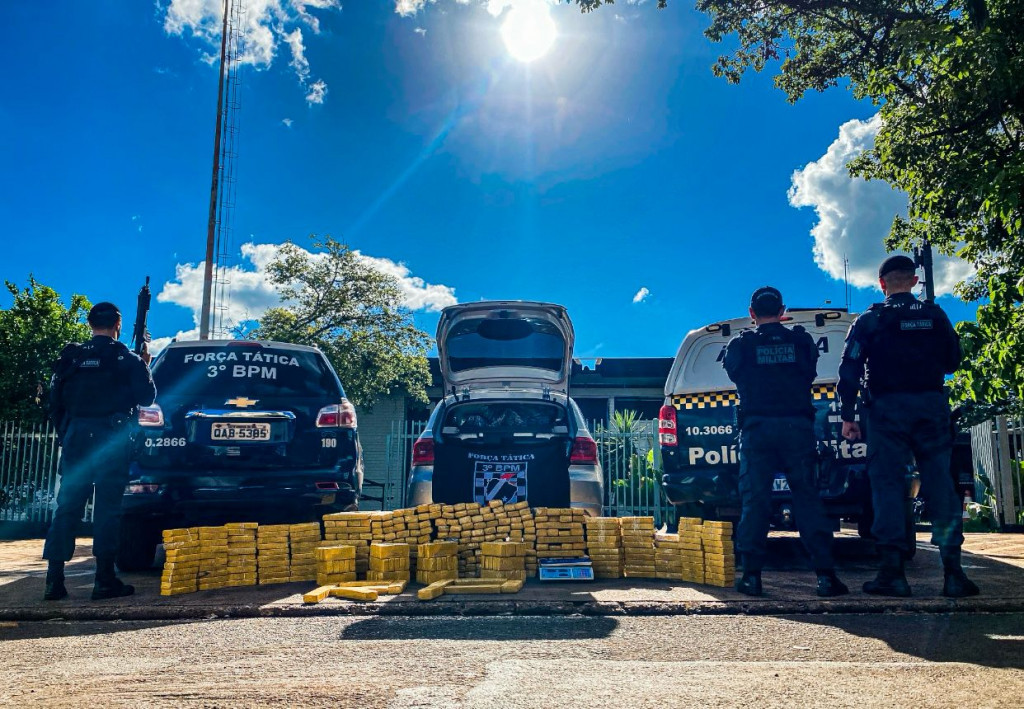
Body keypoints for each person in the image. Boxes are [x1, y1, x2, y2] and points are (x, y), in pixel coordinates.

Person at [838, 255, 977, 597]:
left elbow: (849, 370)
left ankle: (892, 573)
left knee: (887, 486)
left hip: (887, 411)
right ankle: (954, 573)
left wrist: (848, 416)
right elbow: (952, 361)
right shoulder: (935, 315)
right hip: (930, 407)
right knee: (940, 485)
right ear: (914, 282)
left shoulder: (871, 319)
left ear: (881, 283)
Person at [724, 286, 848, 597]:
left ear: (752, 314)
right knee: (807, 498)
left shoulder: (741, 345)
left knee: (755, 502)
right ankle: (825, 577)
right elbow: (810, 370)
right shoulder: (801, 340)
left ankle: (751, 577)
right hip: (797, 428)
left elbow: (734, 373)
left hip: (757, 430)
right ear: (783, 311)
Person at [43, 301, 156, 601]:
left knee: (67, 507)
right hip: (110, 439)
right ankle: (104, 580)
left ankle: (54, 581)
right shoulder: (126, 359)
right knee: (107, 509)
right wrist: (145, 361)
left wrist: (67, 434)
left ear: (90, 324)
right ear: (117, 325)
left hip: (77, 437)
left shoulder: (73, 358)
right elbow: (147, 397)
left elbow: (54, 403)